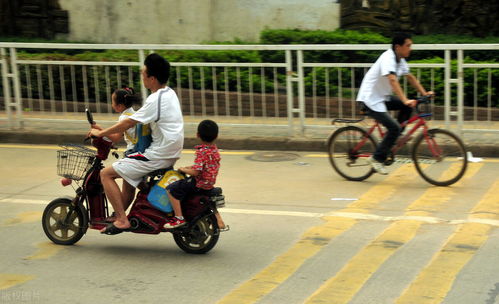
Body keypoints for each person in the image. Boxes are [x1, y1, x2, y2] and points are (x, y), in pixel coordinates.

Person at [89, 53, 184, 234]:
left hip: (158, 154)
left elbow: (128, 122)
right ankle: (128, 213)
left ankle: (122, 220)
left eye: (144, 73)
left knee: (105, 174)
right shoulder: (169, 93)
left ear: (152, 78)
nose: (142, 75)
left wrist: (101, 133)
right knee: (128, 173)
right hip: (169, 151)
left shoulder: (155, 100)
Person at [356, 32, 433, 175]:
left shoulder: (400, 60)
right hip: (370, 99)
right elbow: (392, 80)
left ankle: (393, 137)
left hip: (382, 97)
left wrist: (424, 93)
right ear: (398, 47)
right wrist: (404, 99)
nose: (410, 49)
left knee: (406, 108)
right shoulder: (388, 58)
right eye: (408, 46)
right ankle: (376, 159)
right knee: (395, 126)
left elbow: (410, 78)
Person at [164, 119, 227, 231]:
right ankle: (220, 222)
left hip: (198, 183)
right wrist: (188, 168)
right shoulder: (214, 150)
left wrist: (183, 169)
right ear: (216, 136)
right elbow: (203, 167)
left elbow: (196, 172)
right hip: (209, 184)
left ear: (197, 135)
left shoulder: (202, 151)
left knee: (171, 189)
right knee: (209, 201)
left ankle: (179, 218)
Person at [90, 87, 141, 223]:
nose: (112, 105)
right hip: (139, 152)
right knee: (128, 189)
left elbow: (116, 137)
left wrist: (99, 132)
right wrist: (101, 129)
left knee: (105, 174)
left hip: (133, 155)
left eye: (112, 102)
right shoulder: (133, 113)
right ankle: (118, 216)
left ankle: (119, 217)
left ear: (119, 106)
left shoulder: (124, 117)